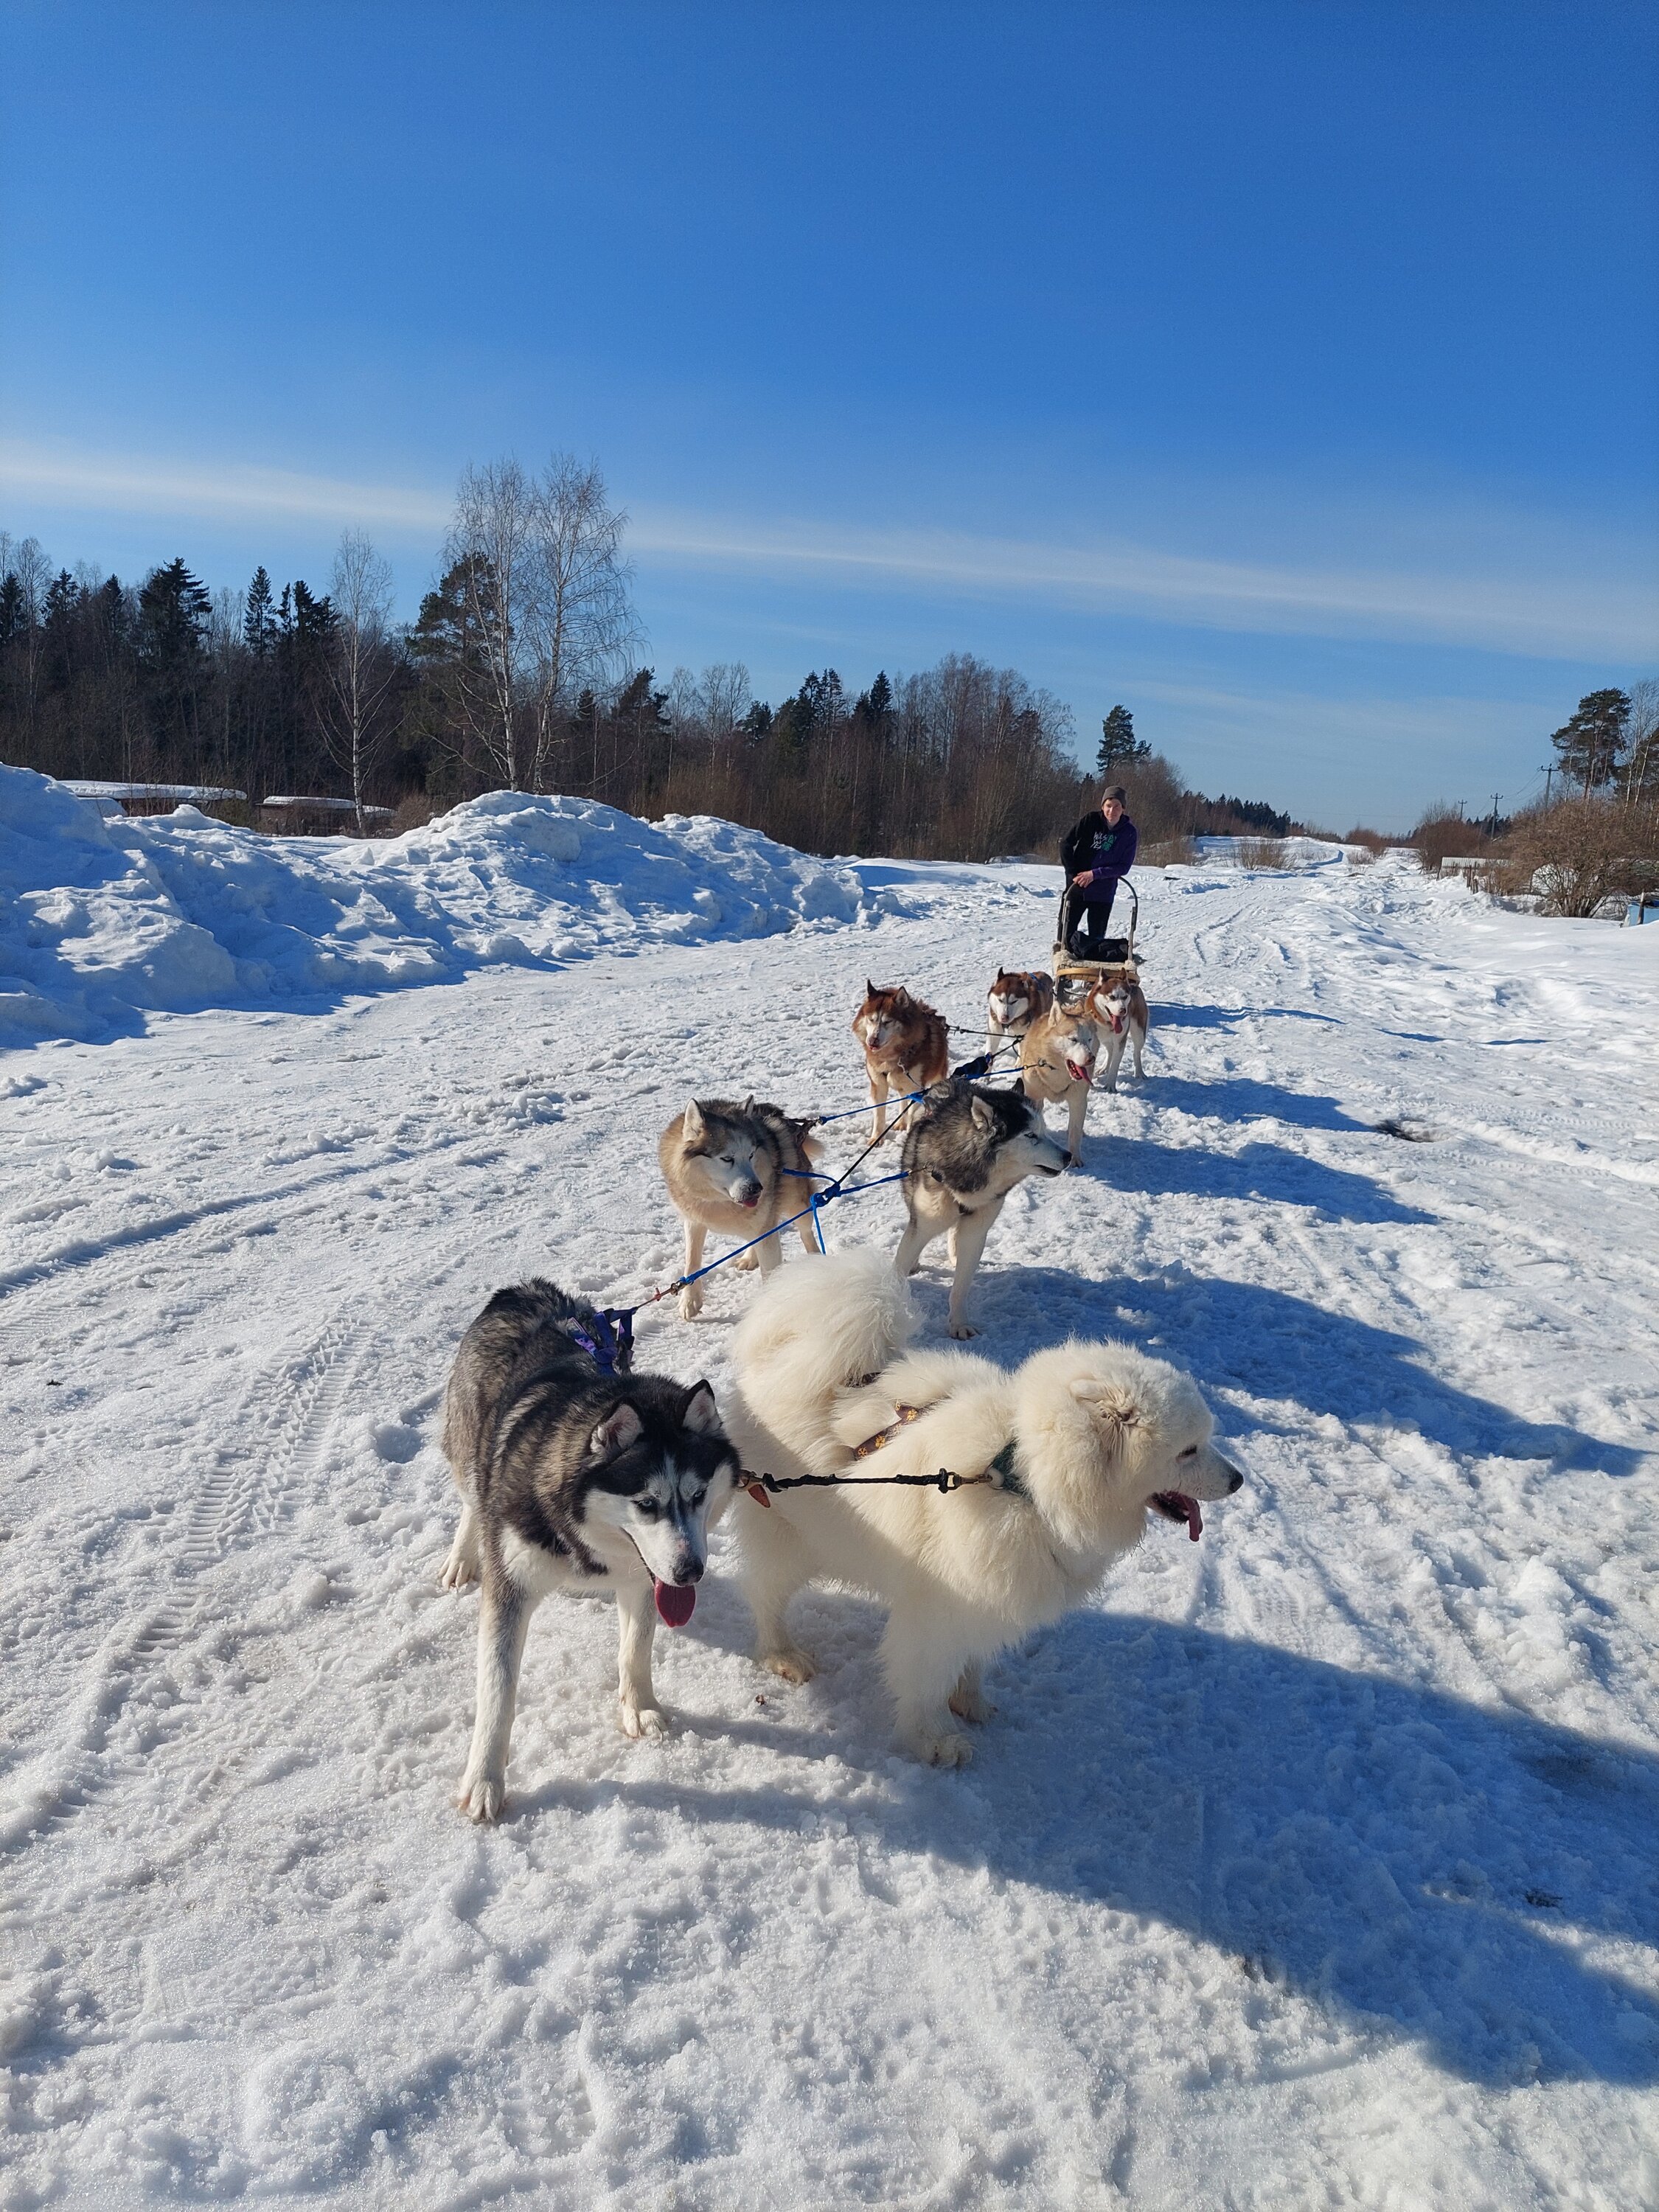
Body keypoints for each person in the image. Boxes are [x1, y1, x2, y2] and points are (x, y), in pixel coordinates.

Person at [1060, 784, 1138, 958]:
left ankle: (1093, 981)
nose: (1112, 810)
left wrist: (1095, 874)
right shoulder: (1090, 821)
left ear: (1123, 809)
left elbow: (1123, 867)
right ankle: (1065, 977)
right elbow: (1065, 844)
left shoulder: (1129, 833)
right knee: (1065, 935)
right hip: (1077, 889)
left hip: (1103, 893)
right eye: (1108, 806)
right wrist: (1072, 874)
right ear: (1102, 806)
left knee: (1096, 941)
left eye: (1117, 806)